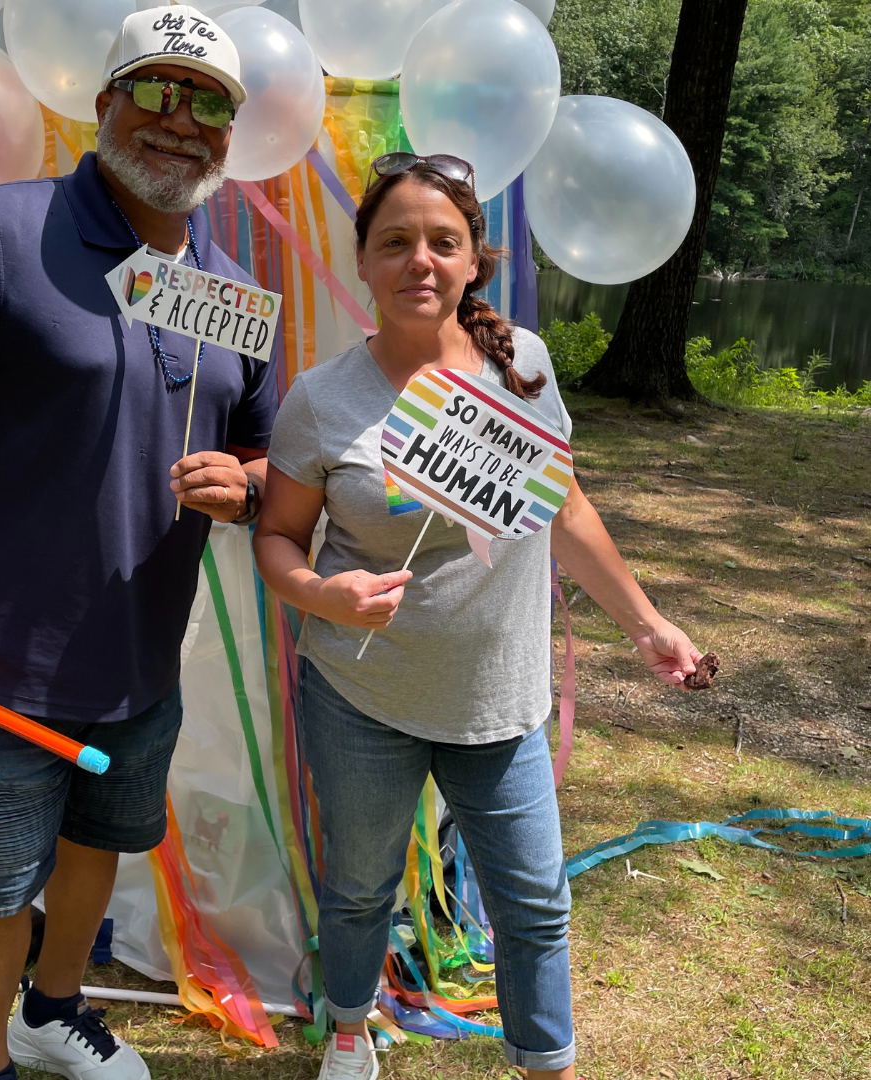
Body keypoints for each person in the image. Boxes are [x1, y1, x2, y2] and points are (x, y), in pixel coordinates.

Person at [0, 8, 278, 1080]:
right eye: (158, 90)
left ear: (231, 131)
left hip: (141, 667)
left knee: (99, 846)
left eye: (209, 102)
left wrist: (249, 485)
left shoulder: (233, 295)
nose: (181, 121)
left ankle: (55, 1008)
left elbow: (268, 457)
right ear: (105, 101)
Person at [253, 152, 703, 1080]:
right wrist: (322, 595)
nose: (419, 260)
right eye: (395, 243)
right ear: (363, 263)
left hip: (499, 702)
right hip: (360, 695)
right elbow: (279, 539)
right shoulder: (320, 399)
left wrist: (646, 625)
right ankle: (349, 1031)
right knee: (360, 886)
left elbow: (564, 509)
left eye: (442, 242)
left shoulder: (522, 366)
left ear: (472, 261)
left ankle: (548, 1064)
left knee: (534, 903)